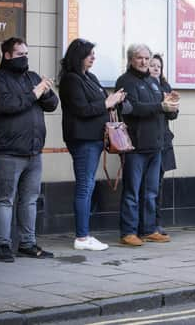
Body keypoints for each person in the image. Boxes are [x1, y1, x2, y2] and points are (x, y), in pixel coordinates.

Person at [0, 37, 59, 262]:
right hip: (8, 151)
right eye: (20, 54)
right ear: (7, 56)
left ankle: (28, 243)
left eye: (26, 54)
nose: (24, 58)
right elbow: (5, 105)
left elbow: (52, 104)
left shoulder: (32, 77)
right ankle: (3, 245)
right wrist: (34, 93)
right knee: (5, 199)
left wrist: (45, 91)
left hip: (33, 151)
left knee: (29, 199)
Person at [59, 39, 128, 251]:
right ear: (78, 56)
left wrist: (115, 100)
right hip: (83, 140)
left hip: (94, 139)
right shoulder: (71, 80)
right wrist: (107, 103)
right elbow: (82, 109)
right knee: (85, 186)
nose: (93, 57)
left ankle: (84, 234)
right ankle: (82, 237)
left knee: (87, 185)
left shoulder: (89, 77)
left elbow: (100, 103)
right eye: (89, 54)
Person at [115, 44, 179, 246]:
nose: (144, 62)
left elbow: (166, 110)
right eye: (139, 58)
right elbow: (131, 108)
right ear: (130, 60)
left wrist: (171, 106)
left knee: (151, 192)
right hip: (135, 147)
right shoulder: (125, 81)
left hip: (156, 146)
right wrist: (160, 105)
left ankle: (149, 229)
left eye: (146, 58)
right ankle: (128, 232)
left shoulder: (153, 82)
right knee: (132, 192)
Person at [139, 54, 178, 236]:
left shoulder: (165, 87)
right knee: (143, 185)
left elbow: (172, 116)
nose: (155, 68)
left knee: (158, 185)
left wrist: (172, 105)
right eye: (152, 65)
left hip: (163, 141)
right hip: (145, 142)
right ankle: (143, 223)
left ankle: (156, 222)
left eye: (158, 66)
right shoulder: (142, 86)